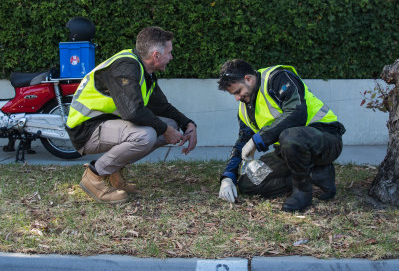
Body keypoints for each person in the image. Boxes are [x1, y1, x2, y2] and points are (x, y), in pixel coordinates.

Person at [66, 26, 198, 203]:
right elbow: (132, 111)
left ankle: (114, 171)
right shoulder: (125, 67)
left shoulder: (144, 71)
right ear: (156, 55)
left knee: (171, 124)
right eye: (169, 52)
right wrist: (165, 129)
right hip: (85, 129)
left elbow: (162, 107)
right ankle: (94, 175)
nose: (171, 57)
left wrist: (188, 124)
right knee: (145, 135)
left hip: (106, 125)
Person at [216, 59, 346, 212]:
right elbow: (242, 143)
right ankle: (316, 174)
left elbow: (297, 112)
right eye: (234, 95)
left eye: (238, 91)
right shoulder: (244, 109)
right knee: (249, 183)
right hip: (289, 151)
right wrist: (228, 177)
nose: (237, 98)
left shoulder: (277, 78)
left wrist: (258, 139)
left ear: (248, 79)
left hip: (326, 138)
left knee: (289, 136)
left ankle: (302, 192)